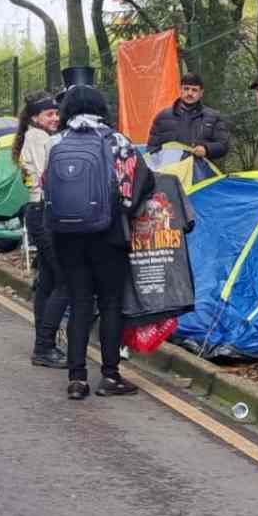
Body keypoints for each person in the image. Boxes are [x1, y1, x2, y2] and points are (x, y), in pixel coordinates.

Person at [46, 85, 155, 400]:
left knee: (80, 303)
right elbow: (140, 182)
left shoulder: (57, 142)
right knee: (110, 304)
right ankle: (110, 375)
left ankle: (77, 379)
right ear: (100, 106)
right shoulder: (117, 141)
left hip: (66, 236)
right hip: (108, 233)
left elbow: (46, 186)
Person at [14, 90, 70, 369]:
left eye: (57, 113)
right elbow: (50, 175)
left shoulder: (35, 136)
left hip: (37, 212)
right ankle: (44, 346)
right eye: (49, 114)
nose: (55, 118)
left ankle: (44, 341)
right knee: (65, 282)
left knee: (48, 281)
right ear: (36, 116)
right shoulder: (39, 140)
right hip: (44, 212)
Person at [146, 73, 230, 160]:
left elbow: (223, 145)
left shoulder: (213, 117)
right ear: (180, 90)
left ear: (201, 93)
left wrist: (206, 149)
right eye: (186, 89)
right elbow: (151, 149)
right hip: (169, 171)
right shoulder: (162, 117)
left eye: (194, 90)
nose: (189, 93)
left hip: (202, 171)